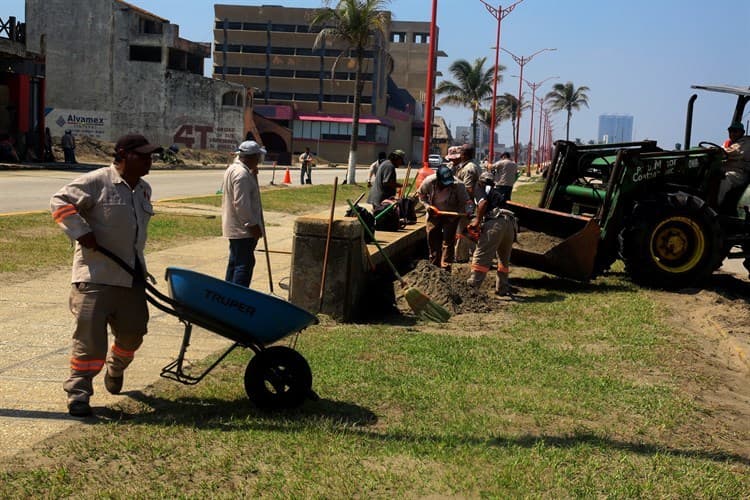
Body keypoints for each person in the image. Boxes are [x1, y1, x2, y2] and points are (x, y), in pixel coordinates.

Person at [50, 134, 163, 417]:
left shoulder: (144, 189)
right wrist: (81, 231)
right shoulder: (98, 181)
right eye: (144, 155)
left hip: (130, 277)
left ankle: (116, 366)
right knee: (88, 341)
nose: (150, 160)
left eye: (151, 155)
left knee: (133, 334)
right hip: (95, 277)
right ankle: (78, 393)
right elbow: (59, 201)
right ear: (123, 155)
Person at [466, 171, 518, 296]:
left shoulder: (480, 188)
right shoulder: (497, 191)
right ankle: (502, 288)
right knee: (503, 259)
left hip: (496, 223)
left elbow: (483, 203)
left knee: (482, 254)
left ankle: (473, 287)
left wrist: (477, 221)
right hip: (510, 223)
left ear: (480, 182)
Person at [222, 140, 266, 287]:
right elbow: (241, 204)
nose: (259, 161)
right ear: (252, 157)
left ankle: (228, 293)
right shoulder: (242, 175)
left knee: (235, 262)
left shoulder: (236, 169)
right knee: (243, 264)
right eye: (258, 157)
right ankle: (238, 295)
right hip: (243, 229)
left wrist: (252, 173)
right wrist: (252, 225)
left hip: (236, 227)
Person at [418, 165, 471, 272]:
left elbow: (466, 202)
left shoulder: (458, 185)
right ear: (438, 179)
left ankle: (446, 267)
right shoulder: (429, 182)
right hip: (434, 213)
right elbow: (421, 195)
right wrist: (428, 206)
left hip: (452, 214)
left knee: (448, 241)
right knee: (433, 238)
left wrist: (467, 211)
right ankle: (434, 265)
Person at [454, 144, 481, 262]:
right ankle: (475, 255)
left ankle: (461, 256)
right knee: (468, 230)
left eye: (460, 153)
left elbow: (468, 189)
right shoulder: (474, 165)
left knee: (462, 230)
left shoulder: (468, 168)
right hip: (471, 203)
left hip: (466, 204)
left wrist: (464, 205)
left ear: (464, 154)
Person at [717, 122, 750, 206]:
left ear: (742, 133)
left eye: (735, 131)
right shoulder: (728, 143)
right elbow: (721, 150)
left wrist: (716, 151)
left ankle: (715, 206)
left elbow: (732, 152)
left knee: (724, 179)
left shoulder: (746, 142)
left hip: (739, 173)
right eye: (730, 131)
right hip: (725, 169)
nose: (732, 133)